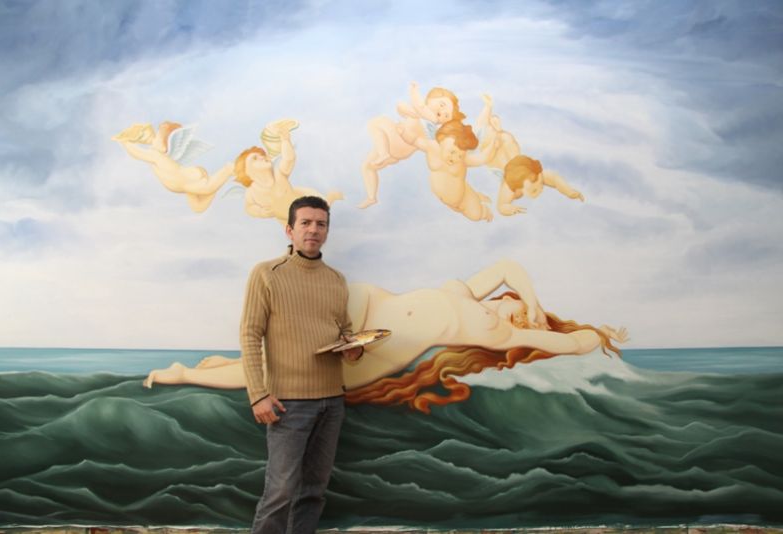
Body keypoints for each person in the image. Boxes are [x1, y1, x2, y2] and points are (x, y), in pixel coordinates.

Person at [144, 259, 628, 414]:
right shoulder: (469, 293)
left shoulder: (498, 332)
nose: (523, 317)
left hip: (379, 349)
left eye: (527, 321)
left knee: (284, 371)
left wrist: (596, 334)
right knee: (288, 362)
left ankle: (196, 372)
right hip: (367, 305)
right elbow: (507, 267)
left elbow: (572, 343)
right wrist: (538, 305)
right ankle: (196, 372)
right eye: (522, 310)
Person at [240, 195, 362, 534]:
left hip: (332, 402)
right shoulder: (266, 274)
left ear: (327, 231)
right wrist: (257, 394)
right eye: (305, 223)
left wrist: (354, 350)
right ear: (289, 230)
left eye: (321, 224)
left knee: (313, 491)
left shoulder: (336, 279)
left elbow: (345, 331)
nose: (313, 230)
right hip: (287, 403)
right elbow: (250, 334)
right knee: (280, 492)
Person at [359, 83, 467, 209]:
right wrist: (403, 109)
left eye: (446, 115)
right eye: (442, 105)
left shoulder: (431, 119)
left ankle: (384, 153)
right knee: (367, 166)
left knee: (377, 122)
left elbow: (419, 105)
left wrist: (414, 91)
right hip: (394, 145)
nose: (442, 112)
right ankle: (371, 197)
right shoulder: (422, 115)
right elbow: (403, 108)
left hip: (398, 142)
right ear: (430, 98)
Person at [475, 97, 585, 215]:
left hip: (510, 152)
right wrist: (506, 208)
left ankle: (494, 123)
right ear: (519, 188)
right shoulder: (510, 188)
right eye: (534, 190)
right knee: (481, 133)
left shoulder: (535, 175)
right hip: (492, 150)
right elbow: (501, 205)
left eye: (540, 184)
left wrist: (569, 192)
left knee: (505, 141)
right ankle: (489, 112)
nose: (541, 188)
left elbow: (554, 179)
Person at [234, 121, 343, 224]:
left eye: (262, 155)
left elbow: (289, 159)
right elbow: (249, 208)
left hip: (302, 202)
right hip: (285, 219)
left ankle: (329, 199)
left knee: (319, 210)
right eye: (255, 158)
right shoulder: (252, 192)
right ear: (246, 172)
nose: (262, 157)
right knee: (297, 230)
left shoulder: (279, 175)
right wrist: (261, 212)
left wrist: (285, 140)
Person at [113, 121, 233, 212]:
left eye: (157, 137)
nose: (148, 139)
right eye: (140, 137)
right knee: (198, 207)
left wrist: (125, 142)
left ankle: (229, 169)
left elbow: (137, 153)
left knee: (208, 187)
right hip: (186, 182)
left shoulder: (156, 155)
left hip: (187, 178)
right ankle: (219, 179)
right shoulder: (156, 153)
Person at [402, 118, 499, 221]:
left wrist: (494, 145)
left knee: (476, 216)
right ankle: (475, 197)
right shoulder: (432, 147)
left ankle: (484, 210)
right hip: (447, 200)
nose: (455, 158)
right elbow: (415, 140)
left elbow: (483, 158)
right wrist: (403, 132)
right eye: (452, 152)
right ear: (441, 141)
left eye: (460, 155)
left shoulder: (464, 160)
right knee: (462, 208)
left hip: (463, 199)